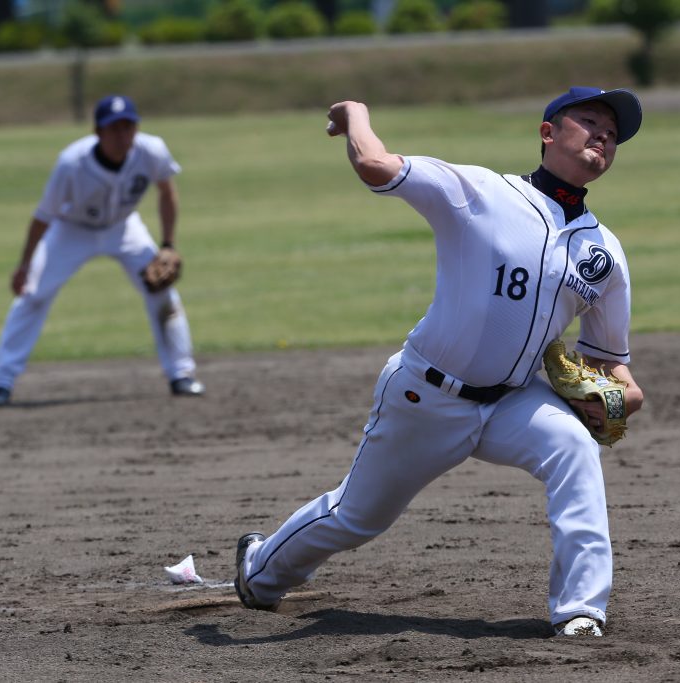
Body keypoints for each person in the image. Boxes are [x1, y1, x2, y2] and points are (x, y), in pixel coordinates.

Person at [234, 87, 646, 637]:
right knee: (358, 517)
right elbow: (376, 166)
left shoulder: (605, 253)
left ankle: (581, 611)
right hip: (426, 395)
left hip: (512, 403)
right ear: (548, 133)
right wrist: (356, 114)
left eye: (613, 133)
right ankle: (261, 570)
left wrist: (624, 398)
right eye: (590, 120)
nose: (604, 135)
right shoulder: (480, 192)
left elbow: (609, 364)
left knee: (573, 447)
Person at [0, 94, 204, 407]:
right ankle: (1, 381)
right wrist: (24, 265)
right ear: (98, 131)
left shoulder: (151, 150)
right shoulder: (72, 163)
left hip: (124, 228)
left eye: (128, 126)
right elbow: (43, 217)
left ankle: (181, 374)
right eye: (114, 128)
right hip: (71, 231)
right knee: (33, 294)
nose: (122, 135)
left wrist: (168, 244)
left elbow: (167, 192)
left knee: (162, 291)